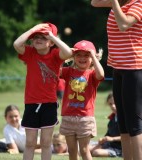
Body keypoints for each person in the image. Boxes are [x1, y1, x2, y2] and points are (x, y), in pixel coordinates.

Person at [13, 22, 72, 160]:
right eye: (35, 37)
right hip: (31, 103)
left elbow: (68, 52)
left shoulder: (56, 55)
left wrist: (52, 36)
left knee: (46, 143)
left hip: (49, 104)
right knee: (30, 143)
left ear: (51, 43)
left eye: (43, 37)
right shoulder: (30, 53)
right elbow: (16, 44)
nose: (38, 39)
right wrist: (33, 29)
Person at [91, 0, 142, 159]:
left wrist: (114, 2)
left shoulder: (138, 4)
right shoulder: (118, 3)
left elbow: (124, 25)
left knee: (135, 124)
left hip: (134, 68)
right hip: (118, 68)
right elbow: (94, 3)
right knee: (124, 124)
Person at [60, 40, 104, 160]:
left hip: (85, 119)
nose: (82, 58)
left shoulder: (92, 74)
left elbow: (101, 75)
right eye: (78, 55)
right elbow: (55, 71)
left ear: (93, 57)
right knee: (72, 151)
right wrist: (65, 55)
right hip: (68, 116)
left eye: (86, 55)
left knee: (84, 150)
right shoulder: (68, 71)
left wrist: (94, 57)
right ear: (74, 57)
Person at [89, 92, 122, 157]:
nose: (113, 106)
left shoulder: (125, 118)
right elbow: (108, 135)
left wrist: (112, 139)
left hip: (119, 149)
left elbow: (129, 136)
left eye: (115, 103)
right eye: (110, 104)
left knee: (96, 152)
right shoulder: (112, 118)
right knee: (88, 148)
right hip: (109, 145)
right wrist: (103, 140)